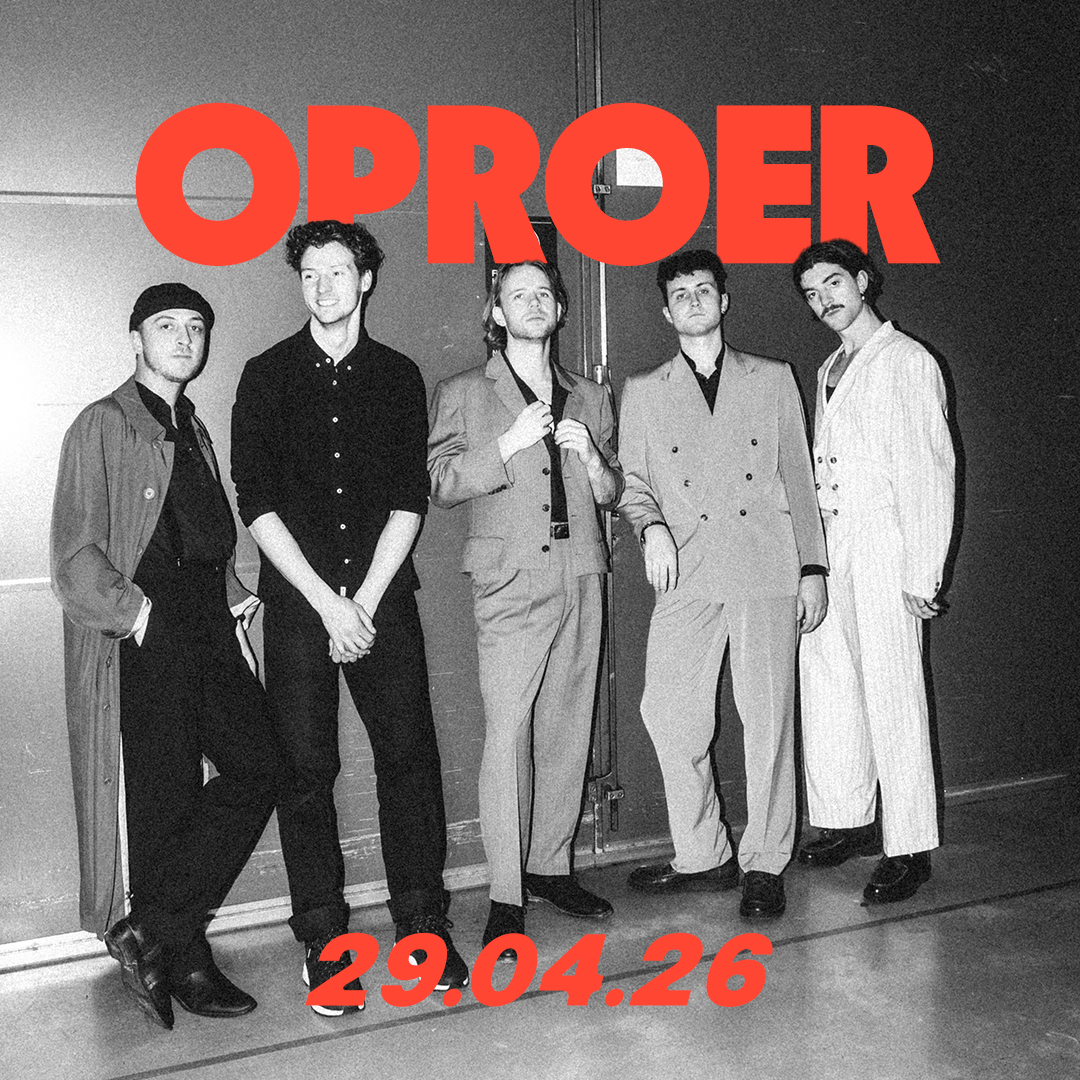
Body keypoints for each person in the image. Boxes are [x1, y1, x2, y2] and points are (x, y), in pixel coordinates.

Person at [231, 220, 467, 1014]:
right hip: (301, 606)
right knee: (305, 773)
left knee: (408, 760)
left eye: (338, 271)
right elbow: (256, 501)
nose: (323, 286)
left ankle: (423, 929)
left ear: (366, 279)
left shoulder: (397, 376)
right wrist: (325, 603)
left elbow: (410, 497)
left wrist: (360, 602)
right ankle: (326, 945)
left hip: (380, 601)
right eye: (310, 273)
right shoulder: (266, 376)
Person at [51, 283, 283, 1030]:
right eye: (166, 326)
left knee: (261, 766)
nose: (184, 339)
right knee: (165, 800)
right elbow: (75, 555)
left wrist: (234, 598)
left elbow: (205, 530)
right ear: (136, 339)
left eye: (195, 328)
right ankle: (183, 957)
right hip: (150, 630)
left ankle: (150, 928)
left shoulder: (193, 425)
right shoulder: (103, 423)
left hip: (207, 624)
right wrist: (140, 615)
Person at [618, 250, 827, 920]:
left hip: (766, 566)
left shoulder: (771, 378)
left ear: (724, 300)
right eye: (680, 293)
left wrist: (813, 567)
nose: (693, 300)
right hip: (687, 570)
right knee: (668, 712)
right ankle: (704, 853)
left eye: (703, 290)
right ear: (666, 311)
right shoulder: (644, 390)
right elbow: (632, 484)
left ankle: (765, 862)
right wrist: (650, 527)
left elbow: (799, 477)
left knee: (767, 721)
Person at [427, 261, 623, 956]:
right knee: (507, 736)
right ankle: (506, 895)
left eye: (544, 294)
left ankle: (549, 867)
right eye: (519, 295)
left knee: (569, 726)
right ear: (497, 313)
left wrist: (594, 460)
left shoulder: (590, 395)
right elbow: (441, 483)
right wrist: (506, 445)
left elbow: (612, 491)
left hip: (581, 572)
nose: (533, 303)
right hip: (508, 580)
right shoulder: (463, 391)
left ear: (560, 310)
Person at [792, 238, 954, 904]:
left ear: (863, 281)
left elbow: (930, 468)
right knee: (829, 683)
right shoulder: (830, 366)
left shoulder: (907, 361)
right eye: (812, 293)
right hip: (832, 547)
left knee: (892, 690)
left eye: (834, 283)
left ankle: (909, 844)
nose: (825, 300)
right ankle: (850, 820)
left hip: (886, 545)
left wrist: (923, 571)